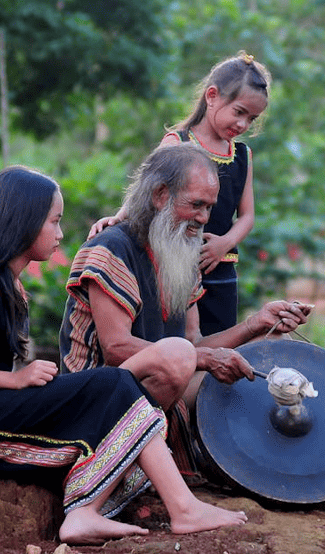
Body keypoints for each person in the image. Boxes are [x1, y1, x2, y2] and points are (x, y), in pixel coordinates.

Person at [0, 167, 247, 545]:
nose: (60, 234)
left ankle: (86, 514)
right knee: (113, 380)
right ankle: (181, 510)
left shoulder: (11, 284)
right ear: (23, 223)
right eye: (53, 222)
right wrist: (13, 380)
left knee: (117, 381)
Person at [61, 144, 309, 476]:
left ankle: (273, 470)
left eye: (209, 207)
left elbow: (193, 343)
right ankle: (117, 470)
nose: (204, 218)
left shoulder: (179, 250)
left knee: (271, 344)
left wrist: (256, 324)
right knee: (176, 366)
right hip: (96, 398)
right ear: (161, 195)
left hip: (153, 388)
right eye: (196, 205)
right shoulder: (111, 250)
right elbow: (116, 348)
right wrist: (202, 359)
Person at [89, 51, 269, 336]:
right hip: (177, 264)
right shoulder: (178, 141)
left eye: (252, 118)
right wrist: (119, 216)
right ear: (212, 96)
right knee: (181, 338)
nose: (243, 125)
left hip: (218, 269)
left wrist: (225, 242)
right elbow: (146, 187)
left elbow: (247, 216)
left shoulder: (243, 155)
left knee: (221, 340)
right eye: (239, 112)